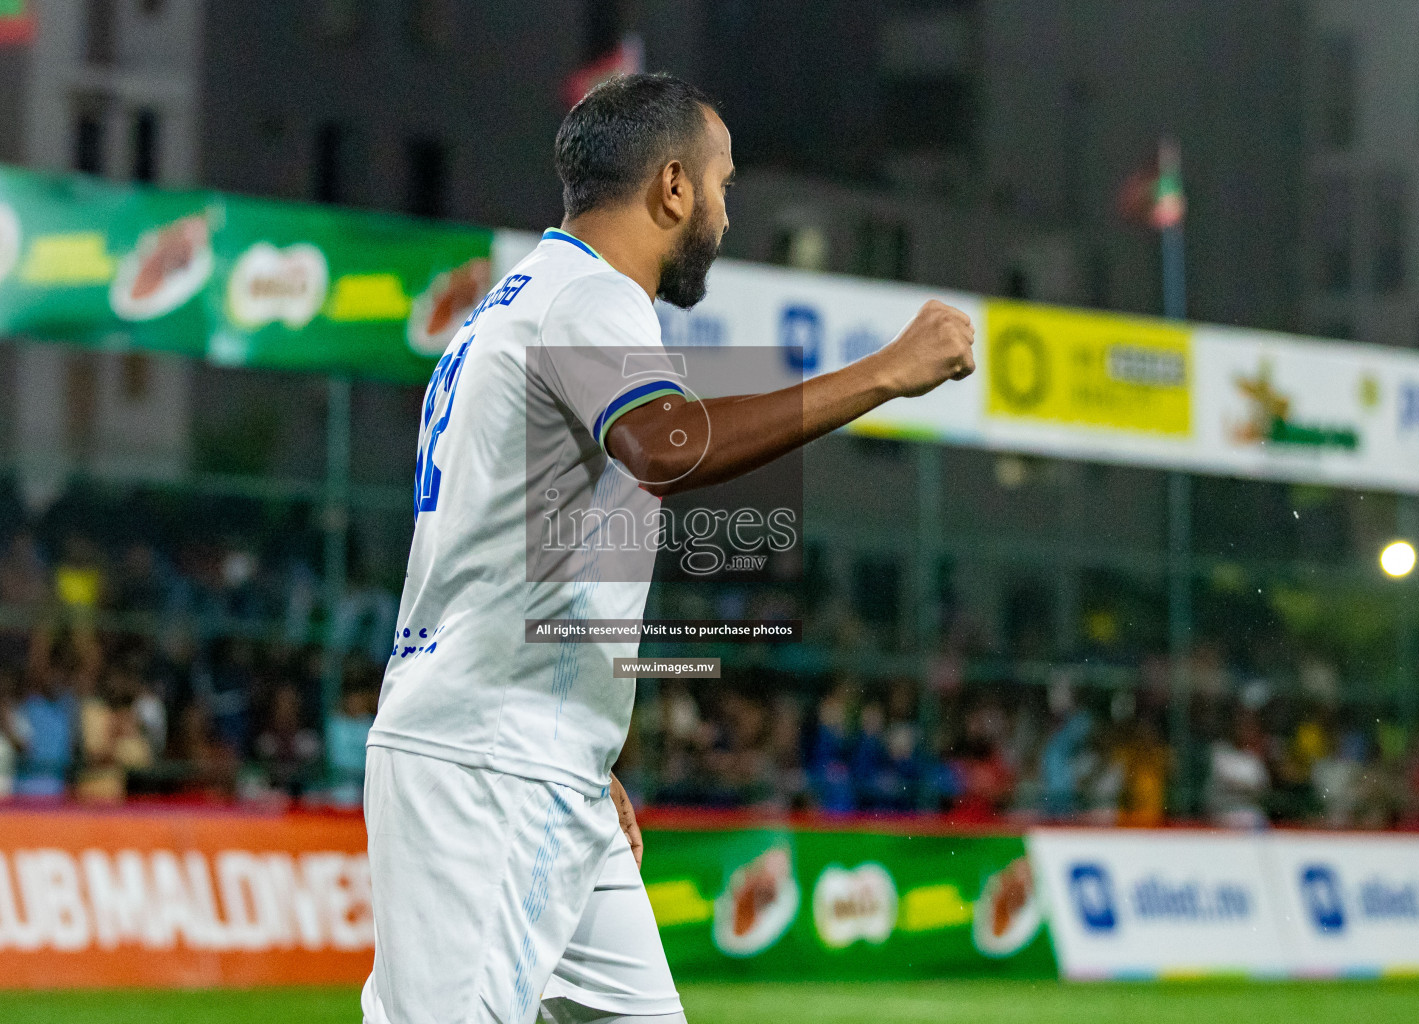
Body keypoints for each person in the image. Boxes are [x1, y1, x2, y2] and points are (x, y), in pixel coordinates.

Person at [362, 72, 975, 1024]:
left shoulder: (521, 299)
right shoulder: (590, 298)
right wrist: (886, 373)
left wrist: (584, 742)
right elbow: (665, 447)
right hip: (492, 768)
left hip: (536, 759)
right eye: (724, 185)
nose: (726, 215)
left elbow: (514, 547)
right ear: (675, 187)